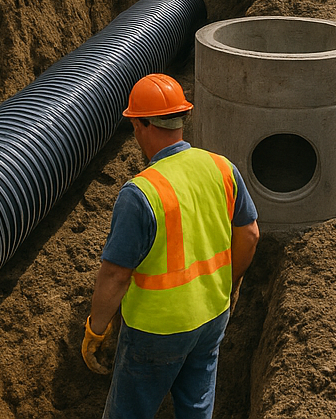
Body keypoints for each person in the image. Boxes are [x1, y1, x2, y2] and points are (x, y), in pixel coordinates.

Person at [82, 73, 260, 419]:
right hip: (212, 316)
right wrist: (230, 285)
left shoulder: (140, 193)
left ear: (142, 124)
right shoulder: (221, 167)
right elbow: (250, 234)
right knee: (196, 406)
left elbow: (116, 275)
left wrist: (96, 329)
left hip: (156, 330)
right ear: (181, 119)